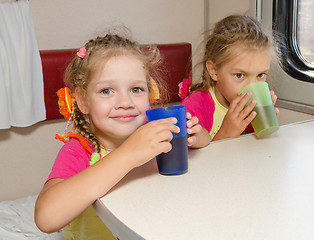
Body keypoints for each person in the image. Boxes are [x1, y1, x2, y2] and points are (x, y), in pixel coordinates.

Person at [34, 33, 210, 240]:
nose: (125, 102)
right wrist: (128, 154)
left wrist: (195, 137)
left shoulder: (152, 134)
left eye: (136, 89)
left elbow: (205, 143)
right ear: (82, 101)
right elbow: (46, 218)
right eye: (106, 91)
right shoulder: (81, 149)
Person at [179, 14, 281, 141]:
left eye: (260, 75)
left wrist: (263, 127)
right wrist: (225, 133)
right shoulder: (193, 108)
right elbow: (193, 158)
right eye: (239, 75)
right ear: (214, 71)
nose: (251, 88)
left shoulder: (252, 107)